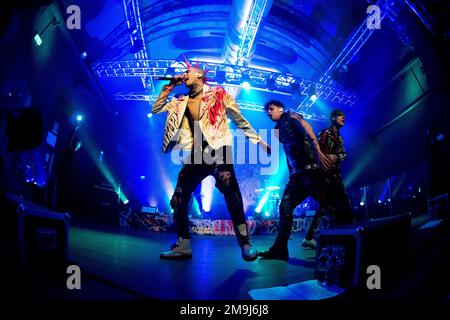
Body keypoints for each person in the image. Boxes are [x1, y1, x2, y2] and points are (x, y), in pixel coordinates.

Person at [152, 61, 271, 261]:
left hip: (219, 148)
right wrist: (169, 87)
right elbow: (156, 109)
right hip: (197, 153)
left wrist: (258, 141)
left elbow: (238, 118)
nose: (184, 74)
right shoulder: (180, 100)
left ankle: (244, 241)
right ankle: (183, 244)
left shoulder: (218, 93)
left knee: (228, 184)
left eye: (187, 71)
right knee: (178, 197)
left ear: (199, 75)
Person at [259, 100, 332, 261]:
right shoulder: (277, 129)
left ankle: (338, 241)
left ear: (280, 108)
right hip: (297, 176)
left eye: (271, 109)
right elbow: (288, 151)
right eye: (267, 111)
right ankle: (280, 249)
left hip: (312, 172)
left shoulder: (292, 115)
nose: (269, 113)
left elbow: (308, 130)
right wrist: (291, 172)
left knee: (330, 205)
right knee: (284, 206)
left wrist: (317, 150)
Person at [301, 109, 354, 249]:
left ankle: (342, 233)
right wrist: (326, 160)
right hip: (325, 175)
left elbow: (344, 154)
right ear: (333, 118)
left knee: (335, 204)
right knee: (329, 205)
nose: (343, 117)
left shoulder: (340, 137)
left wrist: (336, 156)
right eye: (340, 115)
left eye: (344, 115)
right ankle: (318, 236)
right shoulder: (326, 133)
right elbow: (317, 150)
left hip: (335, 174)